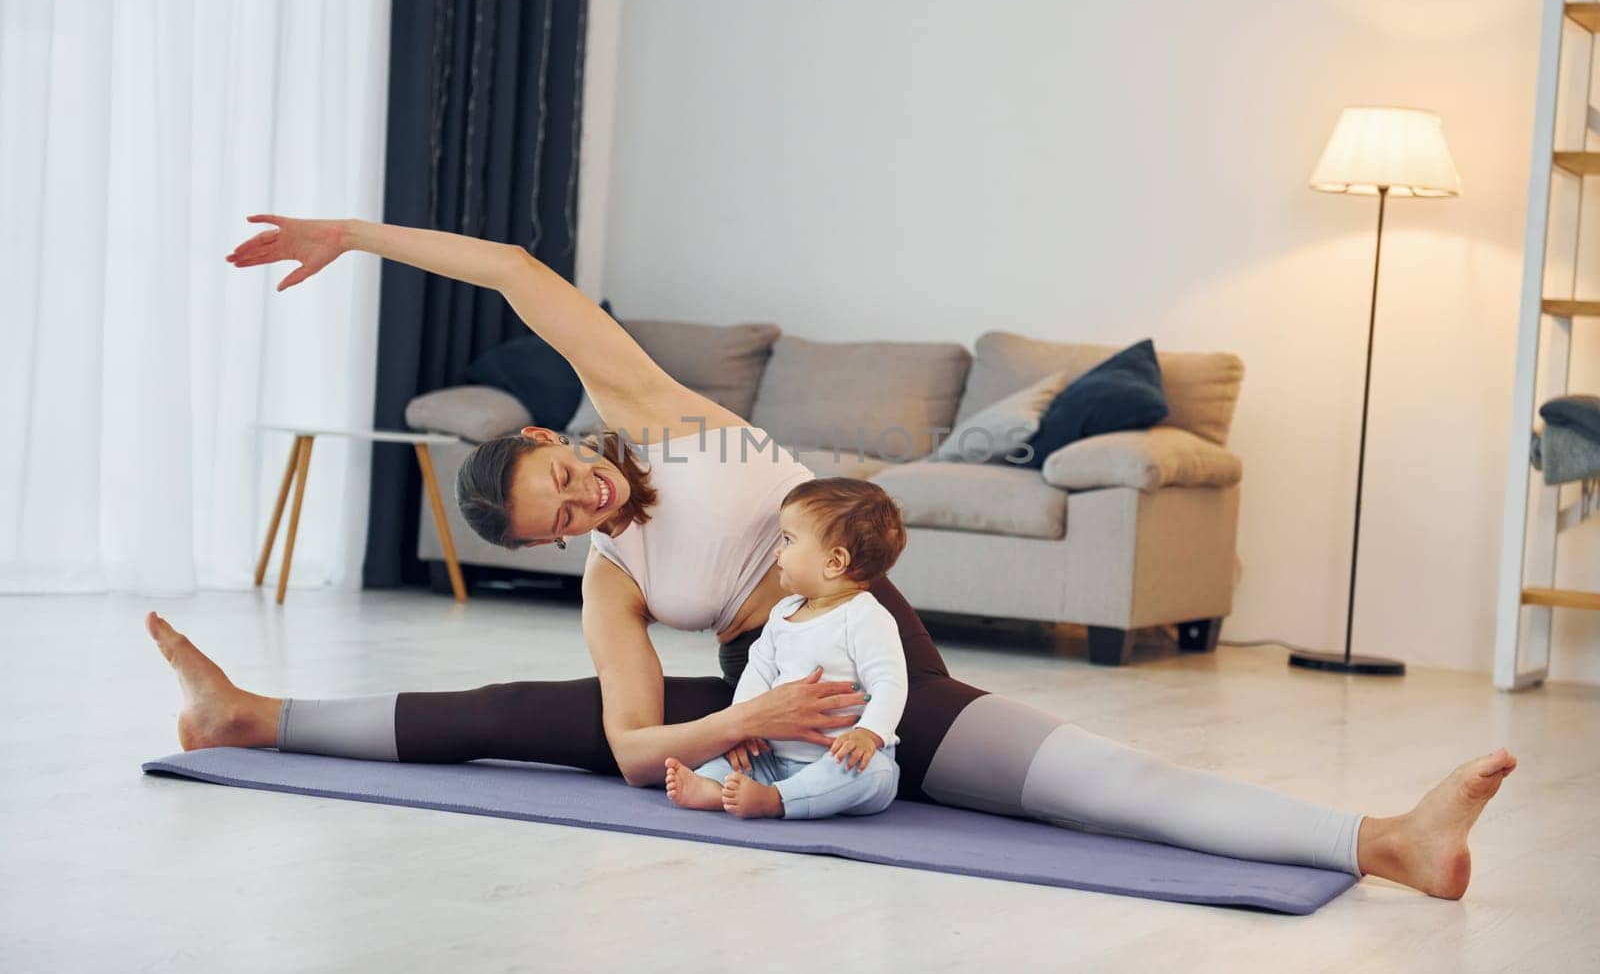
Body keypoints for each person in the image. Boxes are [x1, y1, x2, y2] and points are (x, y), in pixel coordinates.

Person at [145, 214, 1517, 901]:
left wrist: (358, 236)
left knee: (1104, 786)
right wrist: (745, 717)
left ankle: (1385, 840)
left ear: (569, 438)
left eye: (564, 474)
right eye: (559, 519)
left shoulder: (659, 415)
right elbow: (633, 748)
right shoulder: (614, 582)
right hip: (771, 700)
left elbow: (514, 268)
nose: (580, 502)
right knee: (534, 717)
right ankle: (251, 714)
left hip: (874, 657)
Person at [665, 478, 909, 820]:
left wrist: (868, 735)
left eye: (789, 540)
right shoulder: (783, 612)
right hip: (773, 756)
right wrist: (743, 728)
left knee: (873, 775)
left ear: (835, 561)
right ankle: (713, 787)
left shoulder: (864, 616)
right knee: (735, 759)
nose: (777, 551)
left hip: (841, 758)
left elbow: (890, 682)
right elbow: (759, 670)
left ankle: (778, 800)